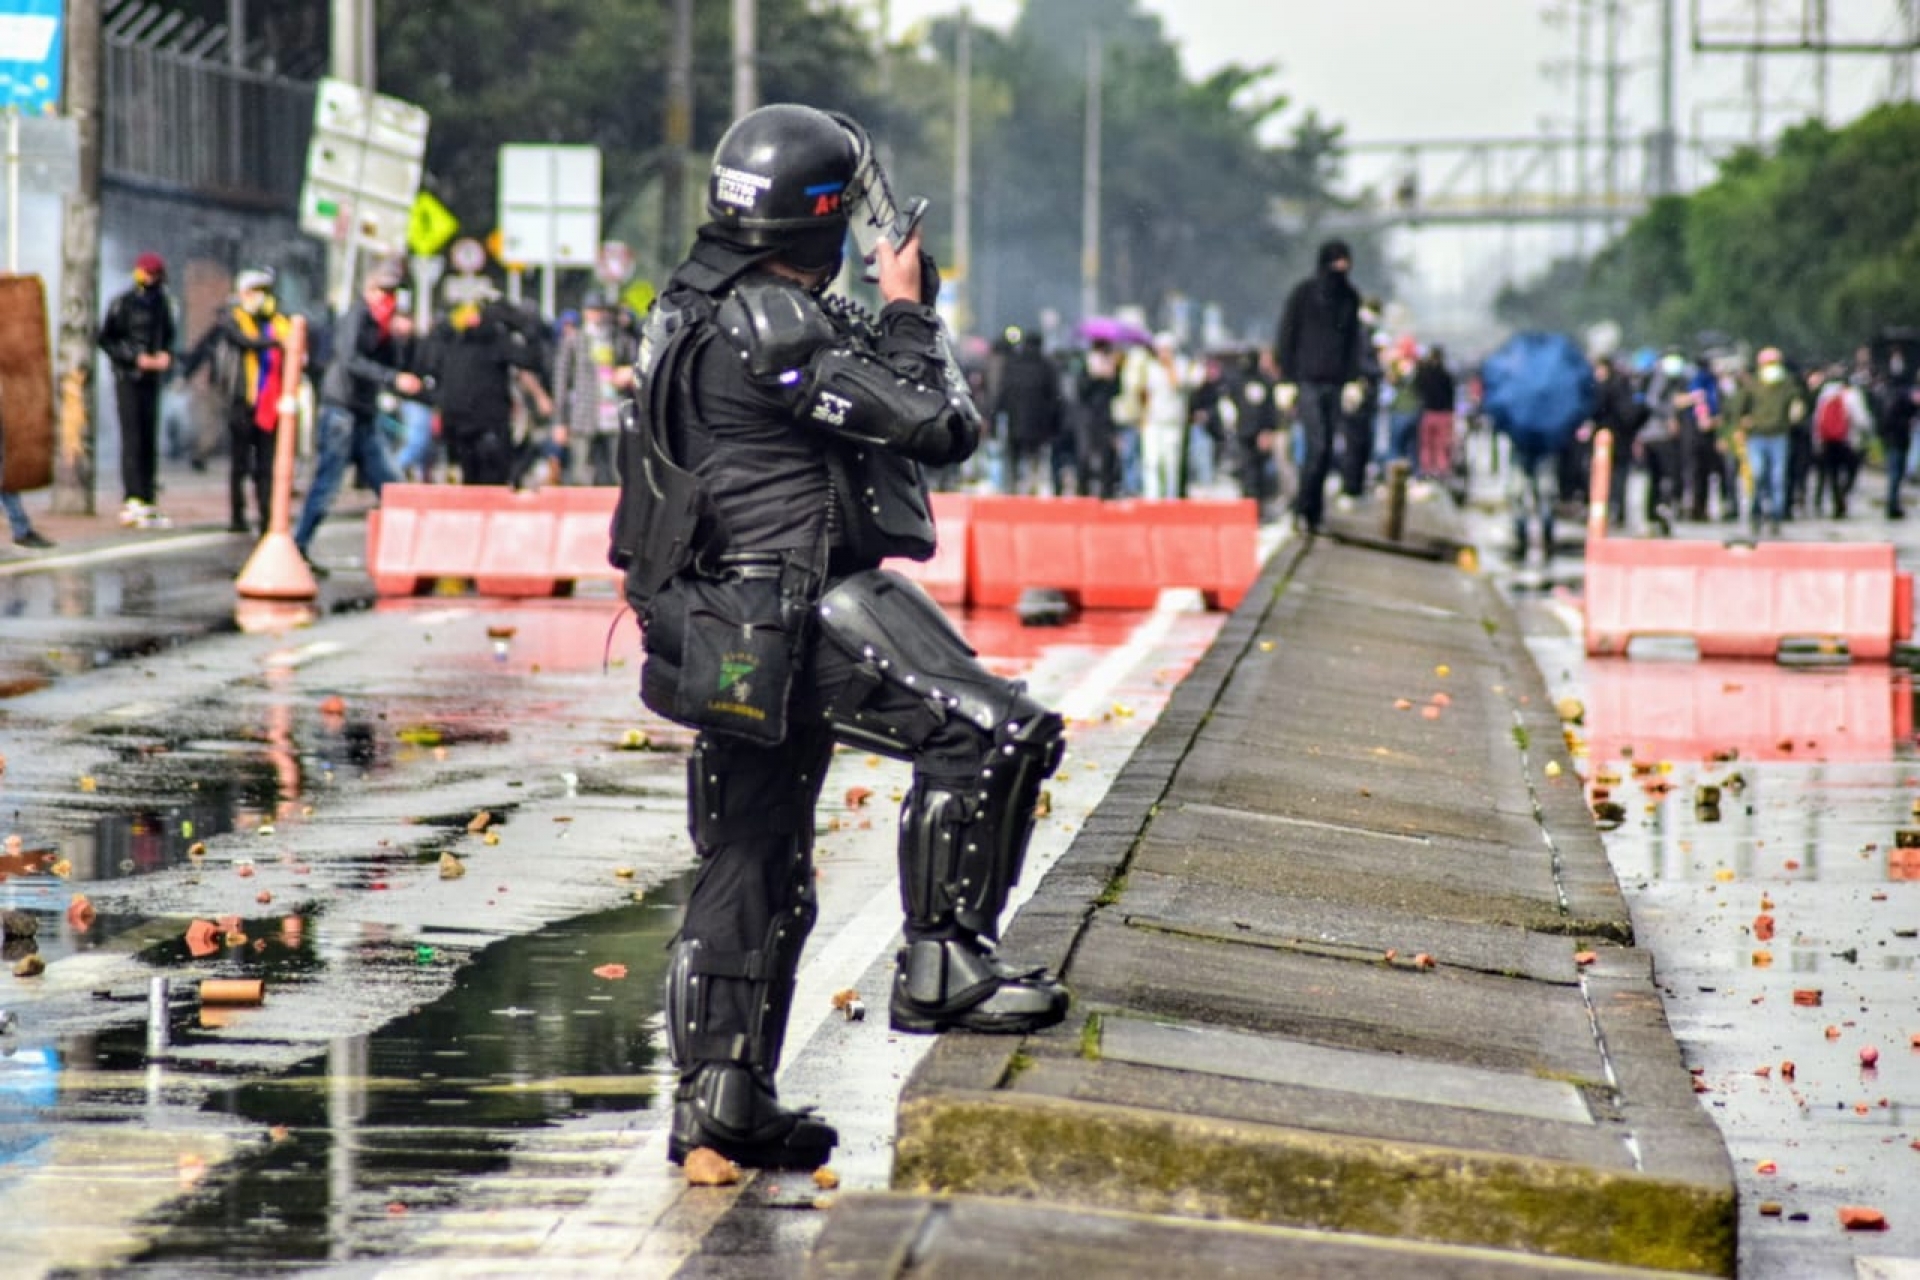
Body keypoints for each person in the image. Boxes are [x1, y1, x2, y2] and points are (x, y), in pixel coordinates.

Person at [613, 103, 1068, 1172]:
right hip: (791, 603)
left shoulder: (689, 302)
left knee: (756, 852)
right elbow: (938, 421)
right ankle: (944, 963)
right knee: (992, 732)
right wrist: (908, 305)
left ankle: (722, 1097)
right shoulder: (772, 325)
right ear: (818, 219)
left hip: (719, 617)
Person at [294, 260, 422, 566]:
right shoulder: (357, 317)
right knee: (328, 483)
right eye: (383, 292)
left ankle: (408, 552)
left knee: (390, 484)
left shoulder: (382, 327)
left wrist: (398, 339)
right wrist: (392, 379)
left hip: (364, 413)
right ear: (370, 291)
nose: (388, 300)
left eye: (393, 294)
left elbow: (393, 361)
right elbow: (349, 359)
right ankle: (298, 545)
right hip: (341, 410)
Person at [179, 267, 291, 534]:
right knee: (239, 462)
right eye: (253, 292)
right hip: (239, 399)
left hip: (269, 402)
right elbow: (242, 342)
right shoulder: (232, 321)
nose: (259, 298)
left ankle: (266, 516)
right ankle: (237, 516)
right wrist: (185, 374)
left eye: (263, 292)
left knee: (265, 465)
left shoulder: (277, 323)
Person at [1275, 239, 1365, 532]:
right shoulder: (1303, 294)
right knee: (1317, 446)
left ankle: (1313, 511)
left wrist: (1353, 380)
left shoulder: (1350, 298)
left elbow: (1353, 344)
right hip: (1308, 383)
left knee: (1327, 451)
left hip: (1336, 384)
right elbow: (1286, 336)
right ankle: (1304, 508)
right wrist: (1286, 379)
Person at [419, 292, 551, 486]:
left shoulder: (451, 340)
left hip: (457, 423)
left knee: (469, 482)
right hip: (489, 425)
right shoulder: (496, 340)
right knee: (493, 482)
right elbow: (532, 359)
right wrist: (521, 325)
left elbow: (429, 363)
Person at [97, 251, 177, 528]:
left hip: (152, 379)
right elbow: (106, 339)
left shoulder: (163, 305)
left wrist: (165, 356)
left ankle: (148, 496)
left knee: (148, 437)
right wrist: (134, 358)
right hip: (128, 377)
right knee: (132, 437)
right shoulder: (123, 303)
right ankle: (132, 498)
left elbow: (168, 337)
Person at [551, 291, 637, 486]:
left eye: (600, 310)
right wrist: (560, 421)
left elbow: (638, 366)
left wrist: (629, 373)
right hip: (583, 415)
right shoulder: (574, 341)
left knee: (618, 471)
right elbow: (561, 382)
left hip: (614, 413)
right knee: (582, 471)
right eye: (592, 310)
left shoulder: (620, 339)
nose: (597, 315)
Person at [1725, 347, 1805, 537]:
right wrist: (1740, 426)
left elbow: (1798, 403)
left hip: (1779, 436)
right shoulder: (1752, 384)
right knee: (1758, 474)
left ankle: (1776, 516)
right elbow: (1737, 407)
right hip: (1757, 436)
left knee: (1778, 478)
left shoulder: (1787, 384)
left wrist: (1797, 410)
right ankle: (1756, 512)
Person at [992, 329, 1063, 495]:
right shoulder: (1047, 366)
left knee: (1013, 457)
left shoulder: (1013, 364)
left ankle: (1011, 488)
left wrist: (996, 415)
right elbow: (1055, 397)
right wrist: (1054, 423)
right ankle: (1032, 487)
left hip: (1015, 420)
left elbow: (1003, 393)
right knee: (1035, 456)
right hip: (1039, 423)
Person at [1137, 332, 1188, 499]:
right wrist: (1143, 416)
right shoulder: (1151, 368)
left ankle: (1170, 498)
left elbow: (1177, 384)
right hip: (1153, 421)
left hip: (1172, 423)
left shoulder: (1181, 366)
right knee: (1151, 461)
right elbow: (1146, 394)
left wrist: (1169, 366)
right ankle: (1151, 497)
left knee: (1170, 463)